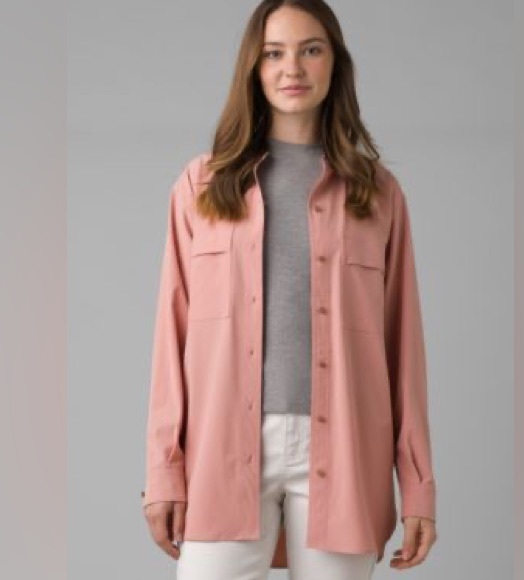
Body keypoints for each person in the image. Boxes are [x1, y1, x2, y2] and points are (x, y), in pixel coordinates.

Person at [141, 1, 438, 578]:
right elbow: (170, 341)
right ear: (253, 68)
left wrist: (419, 484)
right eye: (274, 53)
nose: (292, 68)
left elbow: (404, 349)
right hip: (222, 449)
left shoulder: (377, 194)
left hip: (346, 451)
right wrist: (163, 471)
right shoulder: (201, 186)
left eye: (311, 50)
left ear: (335, 63)